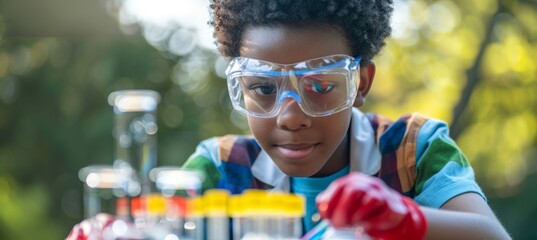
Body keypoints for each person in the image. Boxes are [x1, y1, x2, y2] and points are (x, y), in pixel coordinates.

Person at [67, 0, 511, 239]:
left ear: (360, 83)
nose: (290, 117)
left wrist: (406, 219)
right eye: (262, 89)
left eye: (320, 87)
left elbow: (490, 236)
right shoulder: (222, 167)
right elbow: (155, 230)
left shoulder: (413, 149)